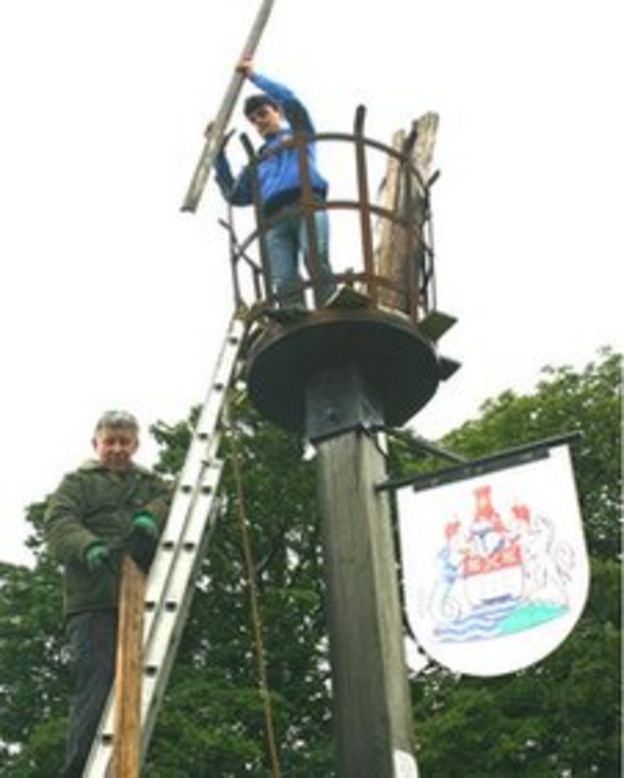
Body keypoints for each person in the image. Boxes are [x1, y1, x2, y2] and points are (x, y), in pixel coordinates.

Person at [45, 410, 170, 777]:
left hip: (142, 598)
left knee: (140, 686)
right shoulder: (78, 484)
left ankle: (129, 763)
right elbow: (59, 521)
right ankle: (82, 768)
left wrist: (150, 517)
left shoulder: (151, 484)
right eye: (110, 442)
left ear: (135, 445)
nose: (117, 449)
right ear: (96, 444)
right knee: (96, 685)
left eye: (124, 442)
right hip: (93, 600)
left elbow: (169, 500)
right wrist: (86, 546)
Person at [215, 57, 336, 310]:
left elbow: (290, 101)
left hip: (306, 204)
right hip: (274, 220)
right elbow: (235, 195)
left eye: (263, 113)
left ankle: (330, 308)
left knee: (316, 259)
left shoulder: (299, 134)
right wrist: (219, 156)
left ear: (278, 113)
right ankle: (295, 315)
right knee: (283, 278)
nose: (259, 121)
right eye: (253, 119)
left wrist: (254, 77)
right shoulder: (257, 162)